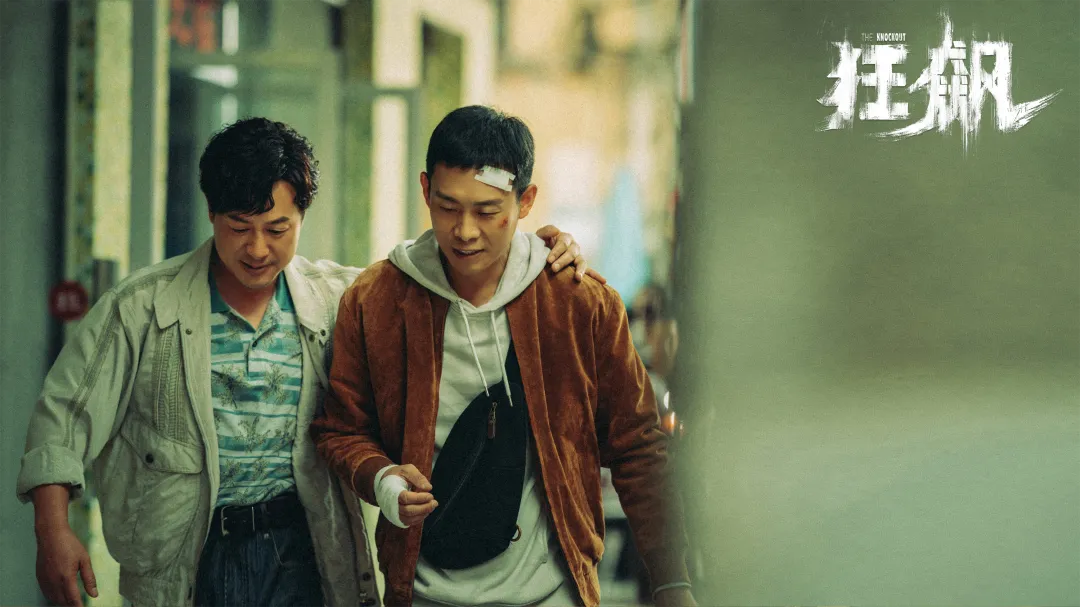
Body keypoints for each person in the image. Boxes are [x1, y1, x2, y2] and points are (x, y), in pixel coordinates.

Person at [16, 116, 597, 607]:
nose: (257, 249)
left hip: (306, 548)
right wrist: (52, 530)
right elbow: (63, 415)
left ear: (302, 218)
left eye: (278, 229)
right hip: (187, 553)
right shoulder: (142, 309)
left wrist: (535, 249)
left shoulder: (342, 299)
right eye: (239, 228)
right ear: (212, 213)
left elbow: (434, 273)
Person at [311, 105, 695, 607]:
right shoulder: (377, 300)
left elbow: (638, 447)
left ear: (525, 201)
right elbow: (341, 428)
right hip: (425, 591)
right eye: (447, 207)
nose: (465, 230)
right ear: (425, 190)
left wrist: (671, 579)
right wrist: (382, 479)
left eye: (487, 211)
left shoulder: (577, 302)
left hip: (552, 591)